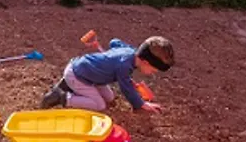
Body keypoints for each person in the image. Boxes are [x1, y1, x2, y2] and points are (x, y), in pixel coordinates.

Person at [40, 36, 175, 113]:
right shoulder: (124, 66)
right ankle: (63, 97)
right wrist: (141, 104)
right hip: (78, 75)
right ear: (145, 62)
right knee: (99, 105)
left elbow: (114, 42)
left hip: (91, 74)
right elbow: (126, 88)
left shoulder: (130, 51)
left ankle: (71, 87)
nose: (152, 73)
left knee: (109, 98)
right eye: (153, 70)